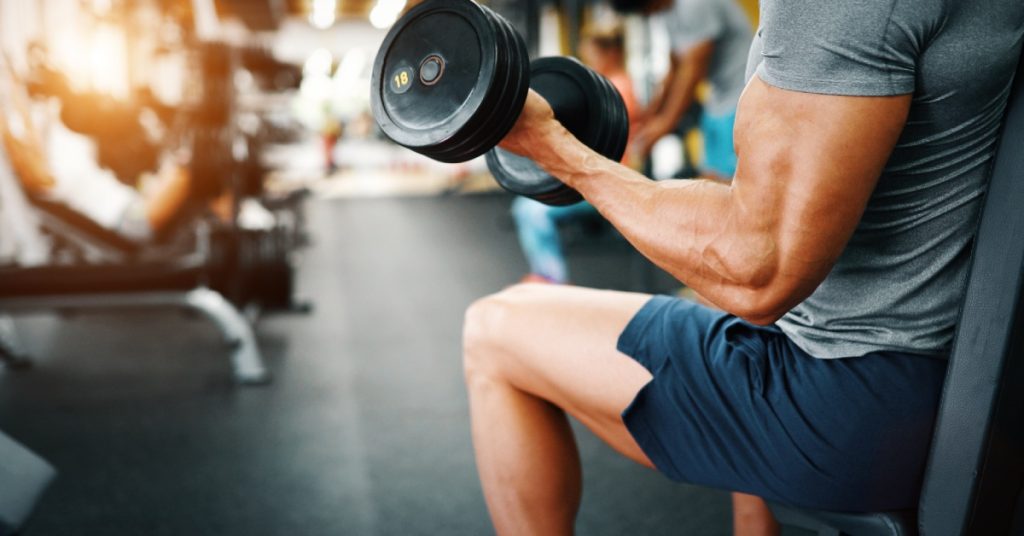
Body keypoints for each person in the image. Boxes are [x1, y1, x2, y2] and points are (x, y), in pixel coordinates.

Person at [462, 2, 1024, 536]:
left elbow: (756, 271)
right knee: (715, 303)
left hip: (850, 403)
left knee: (494, 329)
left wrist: (554, 149)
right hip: (950, 382)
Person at [0, 53, 194, 243]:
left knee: (187, 170)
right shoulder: (46, 178)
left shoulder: (53, 147)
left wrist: (14, 82)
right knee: (189, 169)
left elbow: (27, 129)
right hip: (133, 220)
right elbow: (17, 149)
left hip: (133, 205)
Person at [511, 23, 641, 284]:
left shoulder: (616, 90)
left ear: (611, 53)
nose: (591, 62)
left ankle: (553, 279)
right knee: (528, 204)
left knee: (530, 211)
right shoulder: (609, 86)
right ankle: (548, 274)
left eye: (594, 55)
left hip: (608, 184)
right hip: (596, 175)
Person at [614, 0, 750, 179]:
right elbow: (675, 66)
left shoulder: (695, 4)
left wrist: (664, 124)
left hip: (741, 99)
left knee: (732, 182)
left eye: (646, 9)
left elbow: (694, 69)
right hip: (717, 100)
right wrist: (650, 115)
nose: (649, 15)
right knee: (709, 177)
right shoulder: (667, 11)